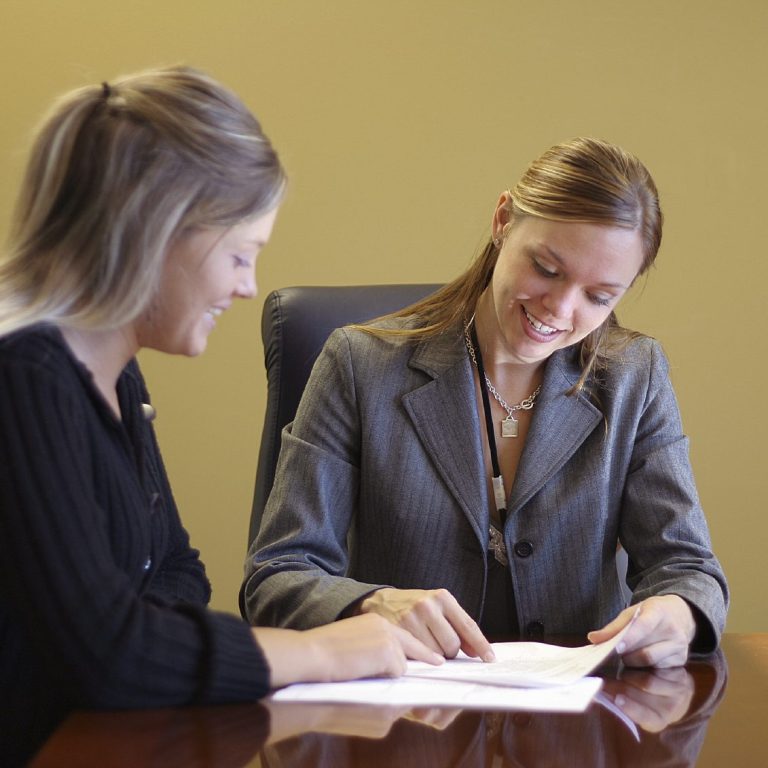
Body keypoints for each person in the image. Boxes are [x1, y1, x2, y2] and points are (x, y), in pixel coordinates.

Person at [0, 65, 444, 719]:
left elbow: (176, 571)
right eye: (240, 255)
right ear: (156, 233)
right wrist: (324, 653)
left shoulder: (115, 375)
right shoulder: (25, 380)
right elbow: (107, 653)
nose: (246, 286)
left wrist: (150, 637)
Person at [242, 137, 728, 669]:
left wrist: (679, 612)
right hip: (407, 719)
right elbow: (277, 575)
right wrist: (368, 604)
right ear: (502, 221)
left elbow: (687, 567)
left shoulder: (636, 375)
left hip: (576, 728)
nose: (561, 309)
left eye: (599, 296)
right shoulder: (360, 364)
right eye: (547, 268)